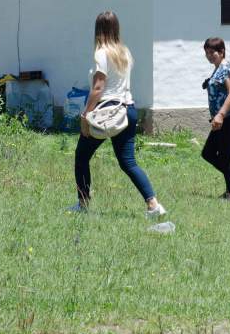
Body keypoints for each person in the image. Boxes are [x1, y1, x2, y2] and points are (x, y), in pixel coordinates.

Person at [71, 11, 166, 218]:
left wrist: (85, 115)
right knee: (128, 162)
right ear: (117, 28)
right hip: (127, 110)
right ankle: (153, 204)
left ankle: (83, 203)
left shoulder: (101, 53)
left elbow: (98, 88)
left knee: (81, 157)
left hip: (105, 112)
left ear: (98, 29)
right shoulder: (125, 52)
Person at [201, 37, 230, 200]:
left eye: (212, 52)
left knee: (225, 157)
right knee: (208, 153)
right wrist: (208, 83)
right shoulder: (218, 68)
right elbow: (219, 86)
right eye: (207, 53)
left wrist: (220, 115)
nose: (209, 56)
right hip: (220, 120)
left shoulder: (227, 68)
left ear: (222, 52)